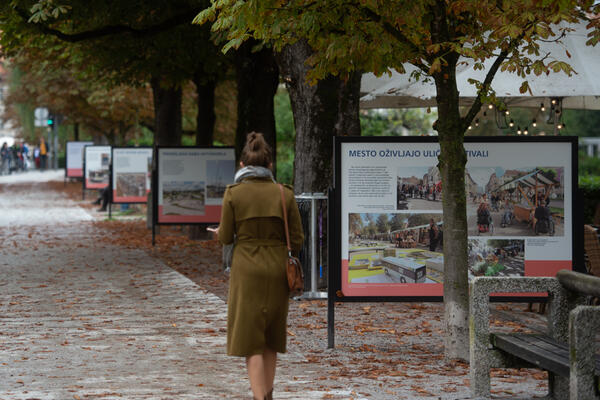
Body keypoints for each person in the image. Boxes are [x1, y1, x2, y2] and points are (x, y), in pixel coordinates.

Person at [211, 132, 304, 400]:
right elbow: (297, 239)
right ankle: (268, 394)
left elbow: (226, 237)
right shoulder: (283, 194)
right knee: (271, 337)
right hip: (277, 269)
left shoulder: (233, 194)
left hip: (246, 270)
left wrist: (218, 232)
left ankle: (259, 397)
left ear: (242, 166)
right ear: (270, 166)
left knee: (251, 339)